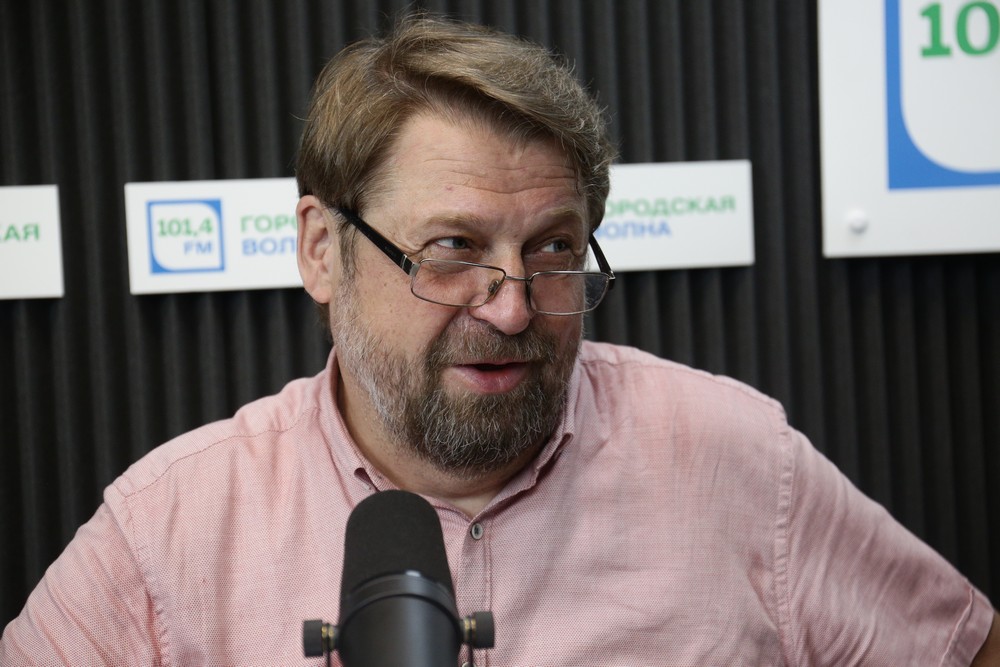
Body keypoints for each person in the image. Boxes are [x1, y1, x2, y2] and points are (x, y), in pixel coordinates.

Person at [2, 14, 997, 666]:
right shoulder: (168, 532)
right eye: (452, 250)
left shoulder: (735, 461)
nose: (514, 309)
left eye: (553, 249)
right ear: (322, 250)